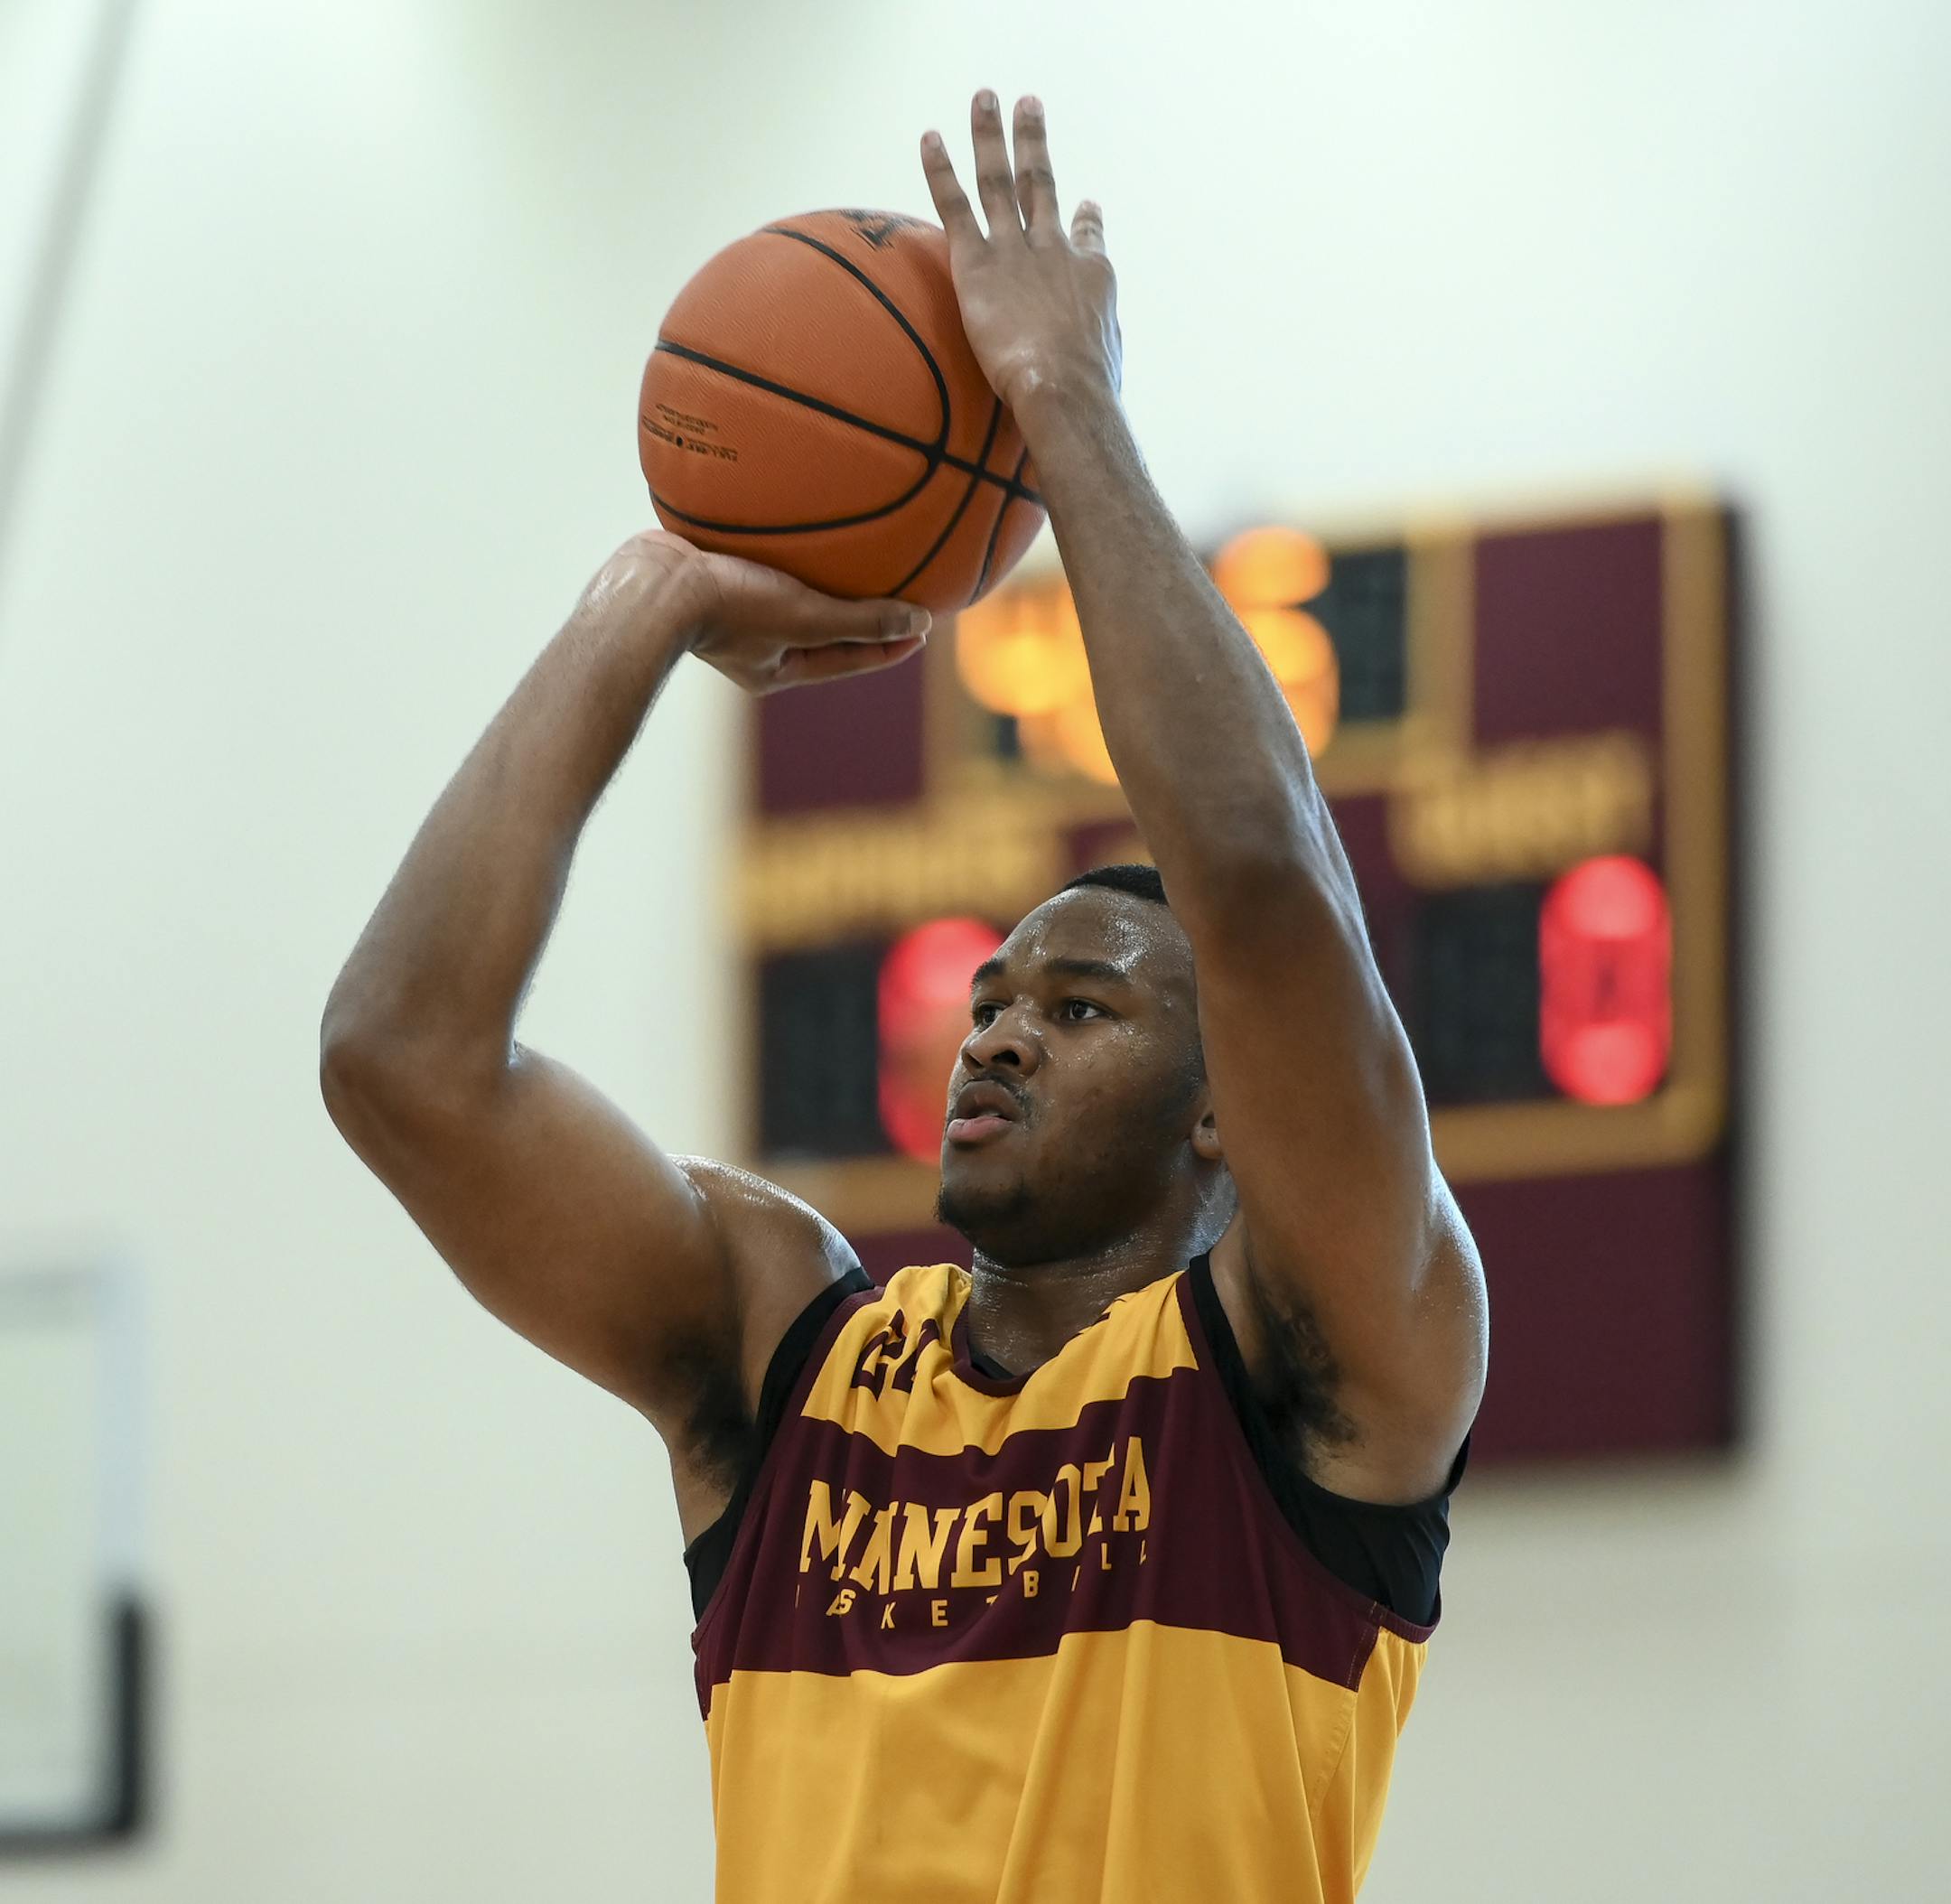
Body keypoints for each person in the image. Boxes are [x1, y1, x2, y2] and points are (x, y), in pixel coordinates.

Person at [321, 90, 1486, 1904]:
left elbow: (1263, 887)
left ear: (1221, 1104)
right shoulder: (791, 1353)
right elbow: (401, 1061)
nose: (1001, 1027)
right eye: (992, 997)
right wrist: (645, 602)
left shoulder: (1315, 1365)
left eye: (1085, 1009)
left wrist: (1068, 409)